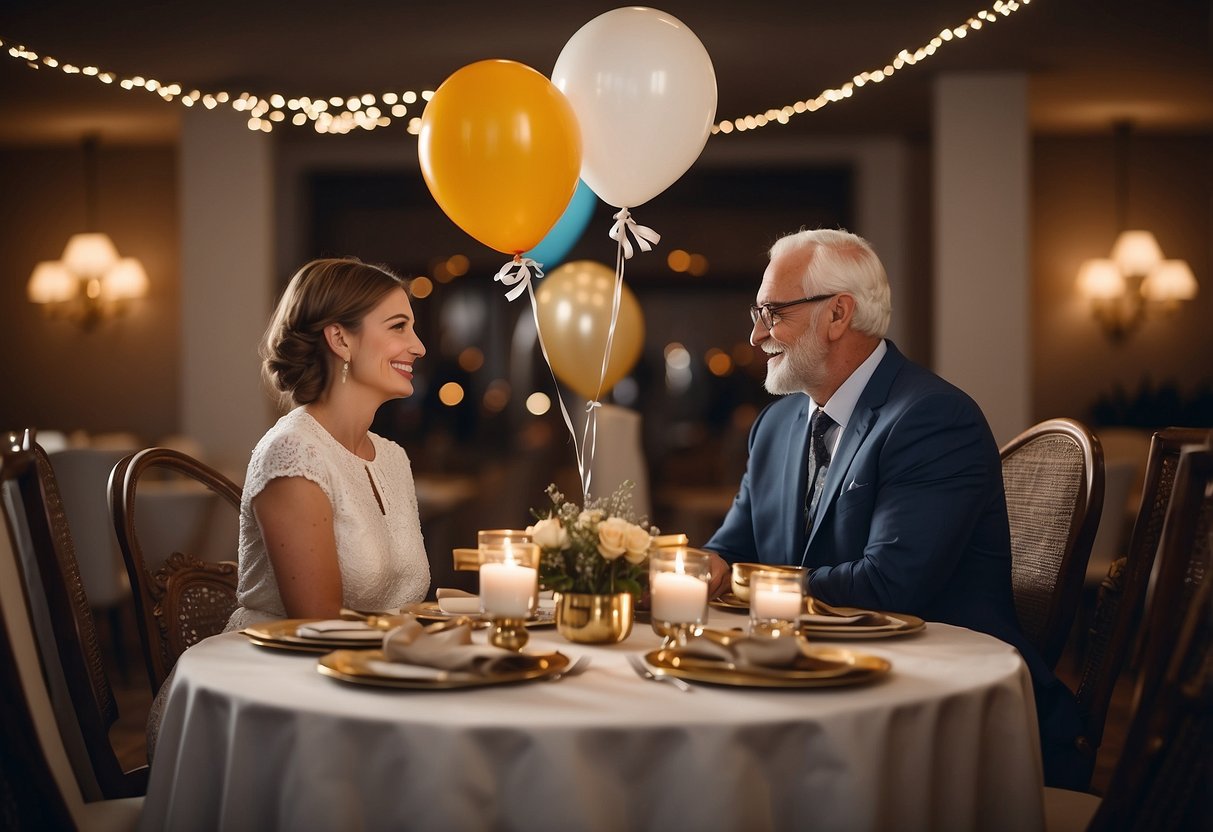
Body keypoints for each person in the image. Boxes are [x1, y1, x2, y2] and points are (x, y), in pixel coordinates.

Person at [702, 228, 1085, 788]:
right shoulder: (775, 425)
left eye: (773, 313)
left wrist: (743, 586)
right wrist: (699, 569)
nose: (757, 335)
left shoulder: (932, 419)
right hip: (811, 686)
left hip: (939, 717)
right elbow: (732, 547)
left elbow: (889, 586)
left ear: (838, 315)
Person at [225, 257, 430, 630]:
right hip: (283, 672)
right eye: (399, 327)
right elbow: (318, 627)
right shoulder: (292, 453)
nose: (418, 347)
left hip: (376, 665)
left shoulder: (393, 458)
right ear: (340, 339)